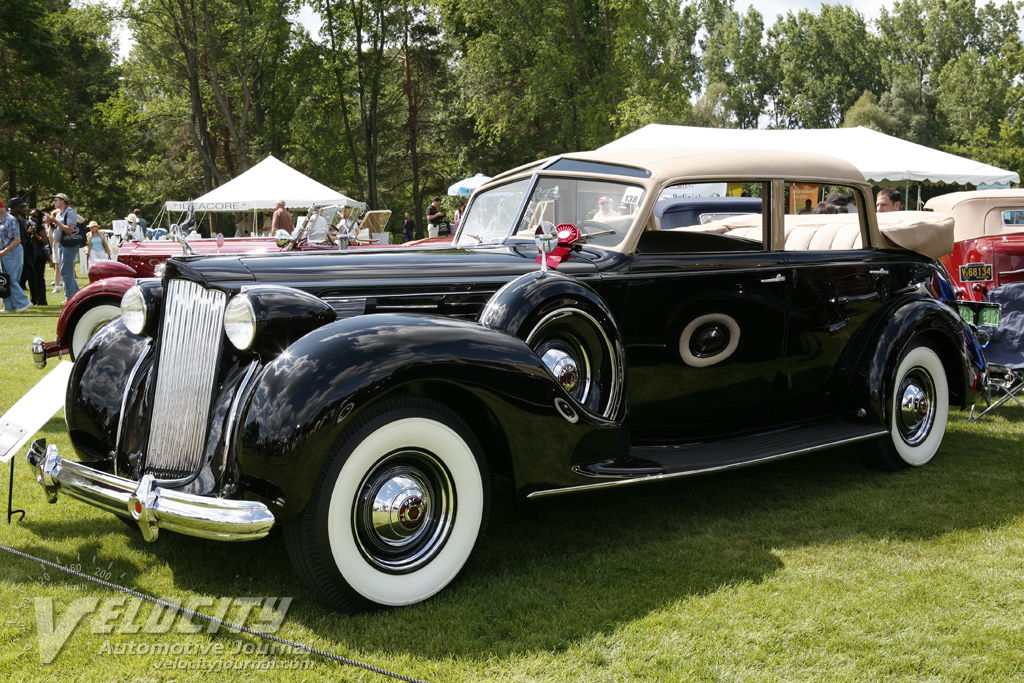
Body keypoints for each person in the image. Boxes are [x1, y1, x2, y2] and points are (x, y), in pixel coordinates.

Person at [44, 193, 83, 299]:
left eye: (55, 200)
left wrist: (55, 221)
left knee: (66, 272)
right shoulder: (59, 213)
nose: (53, 202)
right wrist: (51, 223)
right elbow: (58, 228)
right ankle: (76, 296)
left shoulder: (70, 212)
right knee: (65, 271)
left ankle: (69, 297)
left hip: (69, 245)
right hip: (61, 245)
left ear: (63, 201)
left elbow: (70, 229)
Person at [0, 200, 32, 312]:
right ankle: (9, 306)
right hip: (4, 253)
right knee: (4, 279)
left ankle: (24, 303)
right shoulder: (1, 220)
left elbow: (17, 240)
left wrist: (4, 252)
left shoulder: (10, 220)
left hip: (12, 252)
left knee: (11, 279)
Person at [9, 198, 34, 300]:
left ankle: (16, 299)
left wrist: (28, 233)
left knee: (20, 277)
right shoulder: (8, 220)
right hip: (11, 253)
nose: (24, 208)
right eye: (22, 206)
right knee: (12, 278)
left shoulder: (20, 220)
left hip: (21, 252)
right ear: (14, 207)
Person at [27, 209, 48, 305]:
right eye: (30, 215)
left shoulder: (40, 227)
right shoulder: (26, 226)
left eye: (34, 216)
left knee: (38, 278)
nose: (31, 217)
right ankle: (33, 299)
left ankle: (41, 301)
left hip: (38, 255)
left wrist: (35, 234)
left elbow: (45, 241)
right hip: (29, 254)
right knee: (31, 278)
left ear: (39, 219)